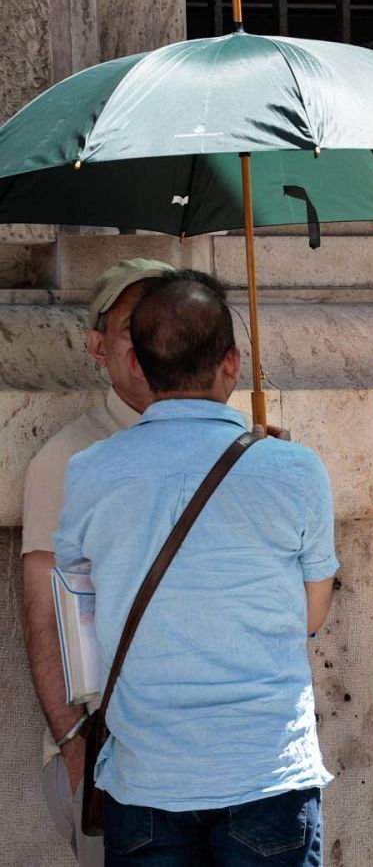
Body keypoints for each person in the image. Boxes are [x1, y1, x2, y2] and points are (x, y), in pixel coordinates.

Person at [54, 270, 338, 866]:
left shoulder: (89, 471)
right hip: (265, 771)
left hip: (144, 776)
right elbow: (310, 617)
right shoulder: (296, 470)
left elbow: (77, 621)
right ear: (231, 364)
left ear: (139, 364)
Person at [21, 258, 176, 867]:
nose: (149, 343)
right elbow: (46, 608)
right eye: (132, 327)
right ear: (96, 346)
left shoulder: (244, 446)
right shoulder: (68, 459)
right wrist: (74, 743)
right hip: (109, 756)